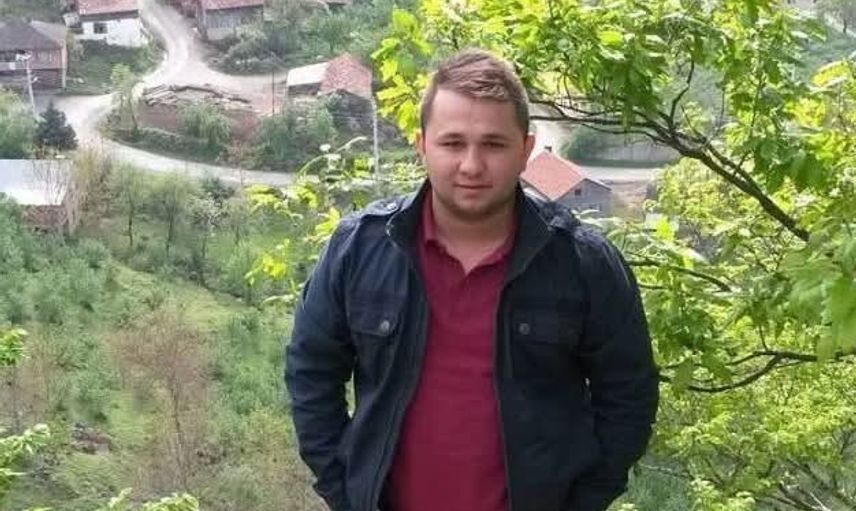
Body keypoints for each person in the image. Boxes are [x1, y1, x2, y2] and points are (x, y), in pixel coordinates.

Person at [285, 49, 659, 511]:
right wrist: (345, 491)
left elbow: (628, 397)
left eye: (493, 144)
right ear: (422, 145)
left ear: (525, 150)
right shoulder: (359, 249)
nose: (472, 165)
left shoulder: (583, 265)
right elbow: (311, 371)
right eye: (453, 143)